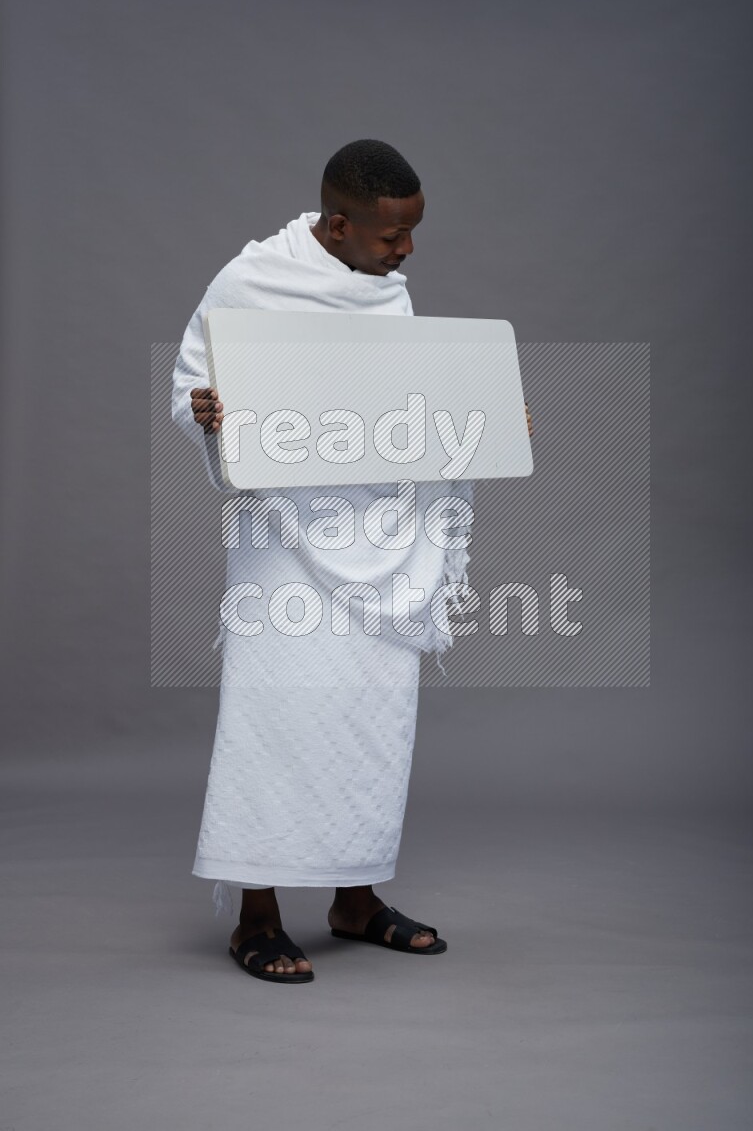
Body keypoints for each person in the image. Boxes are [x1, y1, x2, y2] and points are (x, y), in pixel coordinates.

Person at [171, 139, 533, 984]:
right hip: (283, 535)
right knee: (275, 713)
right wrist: (207, 411)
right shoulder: (252, 278)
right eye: (391, 236)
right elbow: (195, 383)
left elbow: (394, 406)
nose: (407, 252)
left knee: (371, 715)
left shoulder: (383, 292)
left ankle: (354, 898)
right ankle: (256, 914)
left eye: (411, 234)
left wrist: (482, 424)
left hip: (377, 526)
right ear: (338, 225)